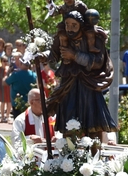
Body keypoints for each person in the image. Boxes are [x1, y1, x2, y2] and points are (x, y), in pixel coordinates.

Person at [46, 10, 116, 139]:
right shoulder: (62, 37)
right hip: (69, 85)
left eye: (74, 25)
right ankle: (68, 155)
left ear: (81, 25)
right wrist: (39, 54)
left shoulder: (94, 38)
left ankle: (94, 155)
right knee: (68, 123)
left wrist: (74, 55)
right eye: (67, 24)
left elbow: (98, 62)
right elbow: (52, 56)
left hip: (88, 85)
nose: (70, 29)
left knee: (93, 124)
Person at [4, 53, 37, 117]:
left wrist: (7, 74)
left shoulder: (16, 75)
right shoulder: (34, 75)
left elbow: (5, 83)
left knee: (18, 122)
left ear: (21, 64)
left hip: (17, 103)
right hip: (29, 102)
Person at [0, 54, 12, 122]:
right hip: (2, 87)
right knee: (3, 102)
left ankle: (7, 116)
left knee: (9, 102)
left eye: (6, 61)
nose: (5, 63)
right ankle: (2, 116)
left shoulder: (9, 69)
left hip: (9, 87)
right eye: (4, 61)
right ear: (1, 62)